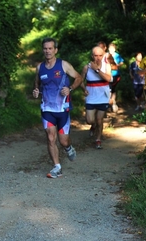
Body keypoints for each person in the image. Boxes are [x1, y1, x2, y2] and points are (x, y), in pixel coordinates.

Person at [32, 37, 82, 178]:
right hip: (47, 108)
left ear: (55, 50)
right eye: (45, 48)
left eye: (50, 48)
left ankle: (68, 147)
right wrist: (36, 91)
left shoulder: (63, 65)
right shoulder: (39, 67)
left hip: (62, 109)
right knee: (50, 137)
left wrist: (70, 88)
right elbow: (37, 84)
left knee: (63, 140)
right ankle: (57, 167)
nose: (47, 51)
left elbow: (79, 77)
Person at [81, 46, 112, 149]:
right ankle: (93, 126)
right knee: (89, 120)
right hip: (91, 97)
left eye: (100, 55)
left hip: (103, 96)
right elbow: (80, 80)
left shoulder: (106, 66)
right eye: (96, 55)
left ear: (103, 56)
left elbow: (108, 79)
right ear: (92, 56)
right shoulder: (86, 67)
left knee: (99, 119)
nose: (98, 58)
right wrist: (83, 89)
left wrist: (97, 70)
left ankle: (98, 140)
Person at [107, 43, 124, 112]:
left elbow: (122, 62)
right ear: (108, 49)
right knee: (109, 89)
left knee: (112, 89)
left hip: (115, 75)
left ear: (114, 49)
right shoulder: (107, 55)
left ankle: (113, 102)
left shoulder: (117, 55)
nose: (111, 50)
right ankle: (110, 103)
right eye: (110, 48)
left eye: (113, 49)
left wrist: (117, 65)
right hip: (108, 75)